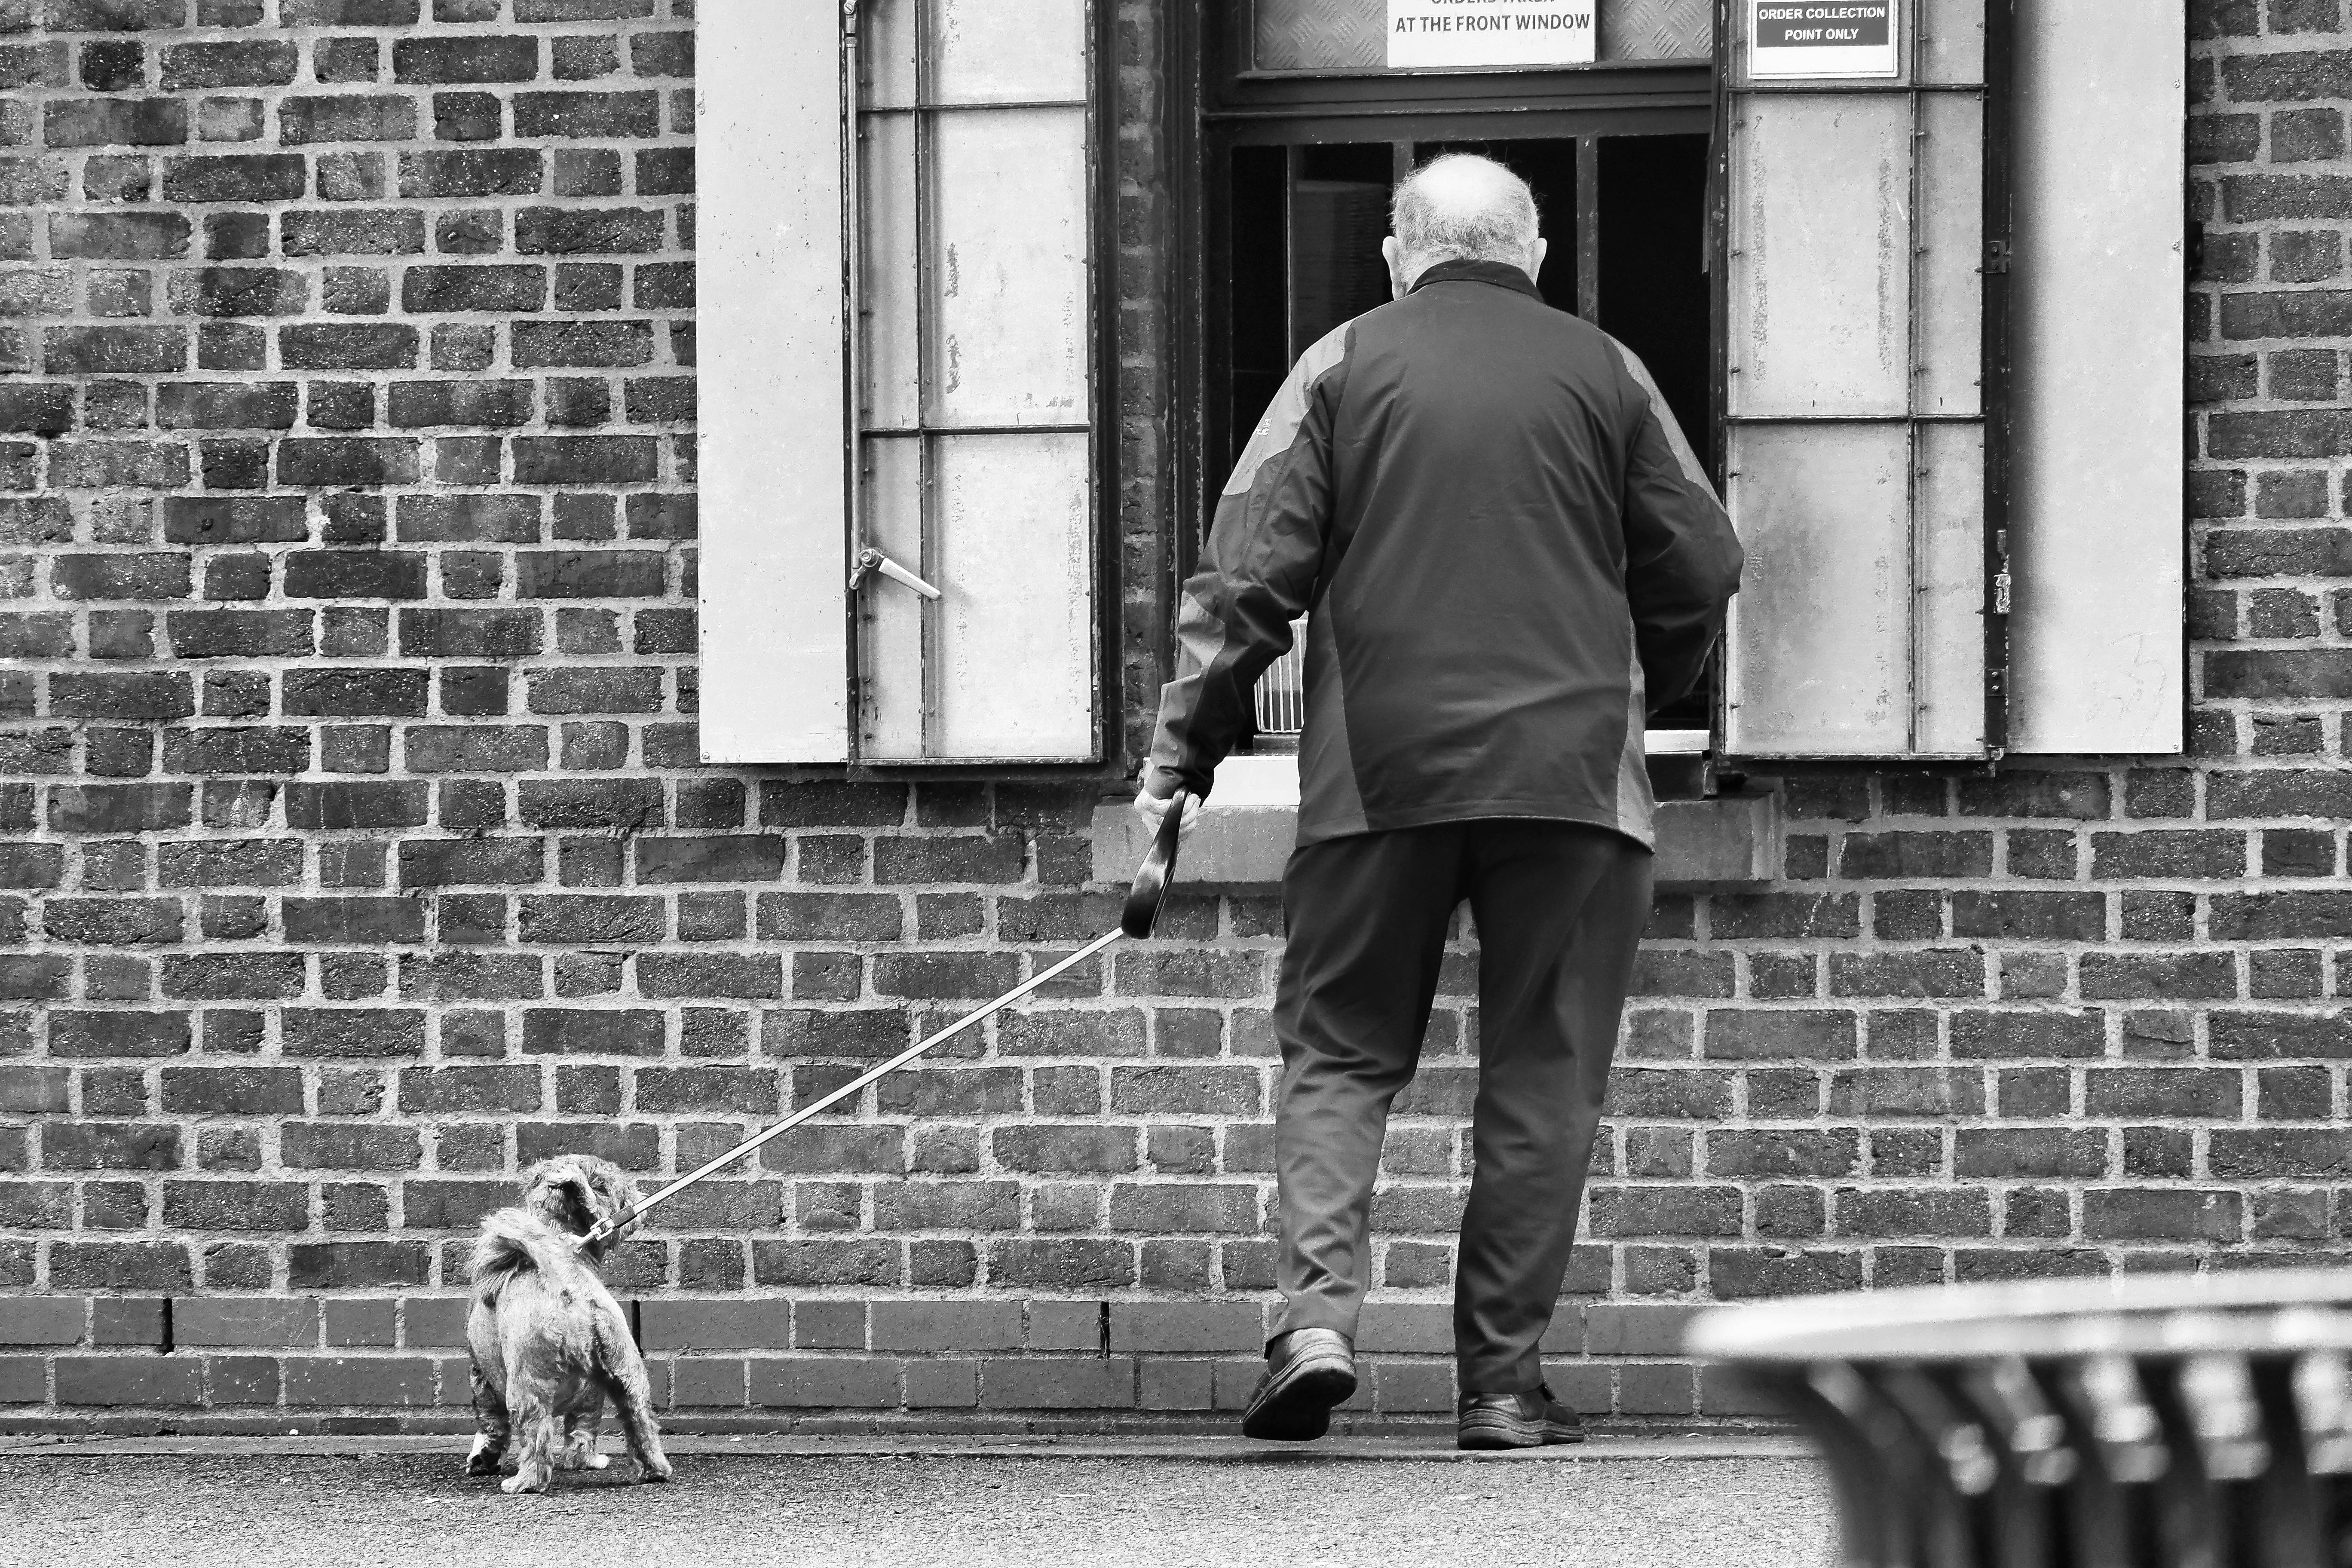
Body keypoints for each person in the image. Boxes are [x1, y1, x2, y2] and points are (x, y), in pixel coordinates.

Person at [1136, 154, 1743, 1450]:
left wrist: (1180, 764)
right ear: (1531, 254)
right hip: (1576, 782)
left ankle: (1312, 1326)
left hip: (1380, 778)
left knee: (1342, 1056)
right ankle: (1505, 1390)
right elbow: (1700, 560)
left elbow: (1246, 582)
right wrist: (1656, 681)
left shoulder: (1343, 363)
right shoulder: (1609, 372)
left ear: (1399, 255)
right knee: (1544, 1078)